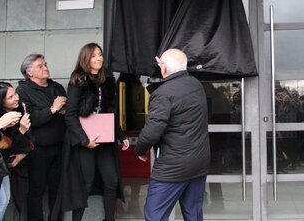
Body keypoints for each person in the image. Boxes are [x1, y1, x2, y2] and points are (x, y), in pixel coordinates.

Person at [53, 43, 129, 221]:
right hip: (83, 141)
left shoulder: (108, 80)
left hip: (104, 138)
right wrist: (84, 140)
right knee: (84, 185)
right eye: (94, 55)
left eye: (100, 55)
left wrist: (121, 136)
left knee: (111, 180)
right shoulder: (78, 80)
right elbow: (70, 115)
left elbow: (111, 113)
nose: (98, 58)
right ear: (85, 58)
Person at [135, 48, 210, 221]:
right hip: (199, 162)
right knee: (193, 214)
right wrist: (163, 64)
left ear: (164, 69)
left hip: (173, 167)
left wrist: (140, 150)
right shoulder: (196, 85)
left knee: (155, 215)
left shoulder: (162, 94)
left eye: (160, 64)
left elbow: (152, 131)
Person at [16, 54, 67, 221]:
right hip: (38, 149)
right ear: (29, 72)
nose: (45, 67)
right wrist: (52, 109)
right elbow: (29, 119)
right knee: (36, 190)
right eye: (40, 66)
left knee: (57, 189)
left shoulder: (57, 87)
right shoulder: (23, 91)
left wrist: (64, 110)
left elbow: (66, 111)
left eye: (45, 64)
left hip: (60, 147)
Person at [0, 82, 32, 220]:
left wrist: (24, 152)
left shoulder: (18, 111)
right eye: (11, 97)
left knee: (4, 200)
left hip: (4, 166)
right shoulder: (4, 118)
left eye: (15, 94)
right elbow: (5, 145)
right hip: (3, 163)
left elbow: (29, 140)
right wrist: (19, 131)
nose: (16, 98)